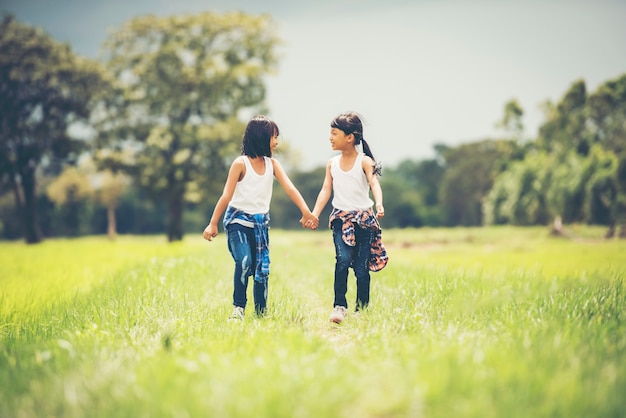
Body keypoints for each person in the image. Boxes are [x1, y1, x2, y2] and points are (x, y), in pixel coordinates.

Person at [203, 115, 319, 320]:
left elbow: (290, 188)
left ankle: (261, 313)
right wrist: (213, 223)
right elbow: (226, 196)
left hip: (260, 224)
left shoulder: (273, 164)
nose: (276, 141)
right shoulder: (240, 164)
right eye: (274, 137)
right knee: (245, 261)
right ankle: (238, 309)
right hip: (237, 221)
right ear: (261, 137)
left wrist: (305, 211)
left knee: (261, 268)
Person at [308, 111, 389, 324]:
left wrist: (378, 203)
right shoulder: (331, 163)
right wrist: (314, 213)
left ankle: (362, 309)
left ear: (350, 137)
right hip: (340, 220)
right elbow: (326, 189)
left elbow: (374, 184)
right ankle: (339, 306)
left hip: (364, 221)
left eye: (334, 133)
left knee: (361, 269)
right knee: (342, 260)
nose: (330, 137)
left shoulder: (365, 161)